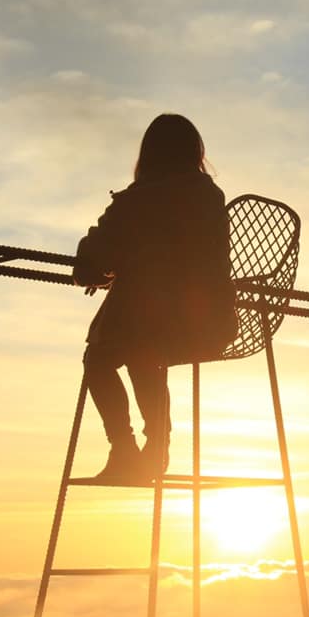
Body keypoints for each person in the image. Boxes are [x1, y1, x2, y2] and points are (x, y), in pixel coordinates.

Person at [73, 114, 238, 483]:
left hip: (156, 326)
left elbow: (92, 258)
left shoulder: (136, 201)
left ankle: (124, 447)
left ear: (148, 155)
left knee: (100, 357)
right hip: (212, 324)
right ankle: (156, 446)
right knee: (142, 352)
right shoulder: (210, 197)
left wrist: (104, 271)